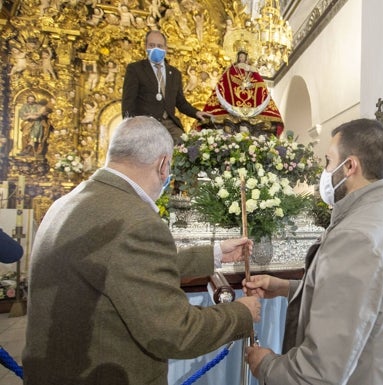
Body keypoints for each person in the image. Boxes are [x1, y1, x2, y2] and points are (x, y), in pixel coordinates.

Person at [23, 116, 261, 385]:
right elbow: (176, 332)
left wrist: (215, 253)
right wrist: (241, 313)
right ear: (162, 164)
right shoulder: (136, 220)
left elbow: (120, 265)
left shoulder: (67, 202)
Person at [243, 118, 383, 384]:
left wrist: (267, 365)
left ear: (350, 166)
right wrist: (287, 287)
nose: (326, 171)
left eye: (329, 161)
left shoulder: (357, 235)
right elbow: (366, 303)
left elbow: (319, 370)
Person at [122, 30, 211, 143]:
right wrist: (129, 126)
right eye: (152, 45)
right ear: (145, 47)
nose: (156, 49)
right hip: (146, 124)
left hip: (169, 124)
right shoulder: (135, 69)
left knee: (184, 145)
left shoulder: (174, 73)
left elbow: (181, 102)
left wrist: (196, 113)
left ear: (165, 48)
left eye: (159, 46)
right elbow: (128, 102)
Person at [202, 50, 284, 136]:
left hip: (252, 98)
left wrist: (250, 75)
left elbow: (259, 84)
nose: (241, 58)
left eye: (243, 57)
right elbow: (225, 80)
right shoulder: (232, 68)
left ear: (246, 58)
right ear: (237, 58)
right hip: (232, 99)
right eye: (240, 57)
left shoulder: (251, 69)